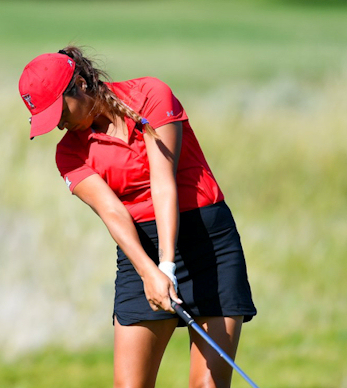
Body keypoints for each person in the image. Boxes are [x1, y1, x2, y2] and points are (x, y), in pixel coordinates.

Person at [18, 46, 257, 388]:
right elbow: (112, 212)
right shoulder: (68, 153)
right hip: (139, 250)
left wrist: (167, 265)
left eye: (59, 110)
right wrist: (149, 269)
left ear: (82, 84)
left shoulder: (149, 96)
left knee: (208, 385)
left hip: (208, 243)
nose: (59, 123)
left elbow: (163, 183)